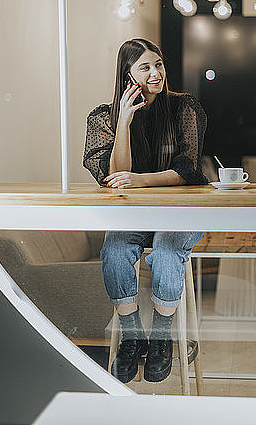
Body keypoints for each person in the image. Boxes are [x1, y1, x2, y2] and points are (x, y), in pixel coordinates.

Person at [83, 38, 207, 384]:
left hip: (181, 215)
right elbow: (114, 176)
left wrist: (141, 180)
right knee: (115, 250)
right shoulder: (103, 118)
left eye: (159, 64)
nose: (156, 73)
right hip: (135, 217)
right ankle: (133, 335)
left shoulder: (185, 108)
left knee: (167, 252)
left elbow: (187, 170)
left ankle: (162, 340)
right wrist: (123, 121)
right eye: (145, 67)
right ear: (128, 76)